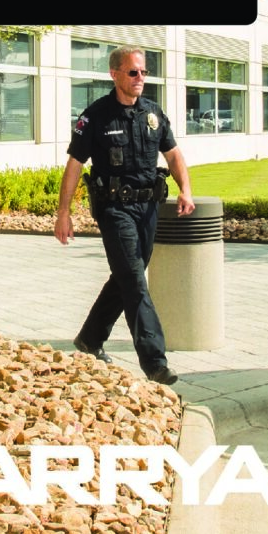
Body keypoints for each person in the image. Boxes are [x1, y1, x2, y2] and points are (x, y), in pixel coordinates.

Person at [54, 46, 195, 385]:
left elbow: (173, 155)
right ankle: (155, 362)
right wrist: (63, 213)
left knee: (125, 276)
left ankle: (90, 339)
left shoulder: (153, 113)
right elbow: (74, 165)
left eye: (144, 72)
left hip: (148, 209)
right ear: (114, 74)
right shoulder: (96, 116)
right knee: (134, 279)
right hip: (115, 210)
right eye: (133, 72)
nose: (140, 78)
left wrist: (185, 189)